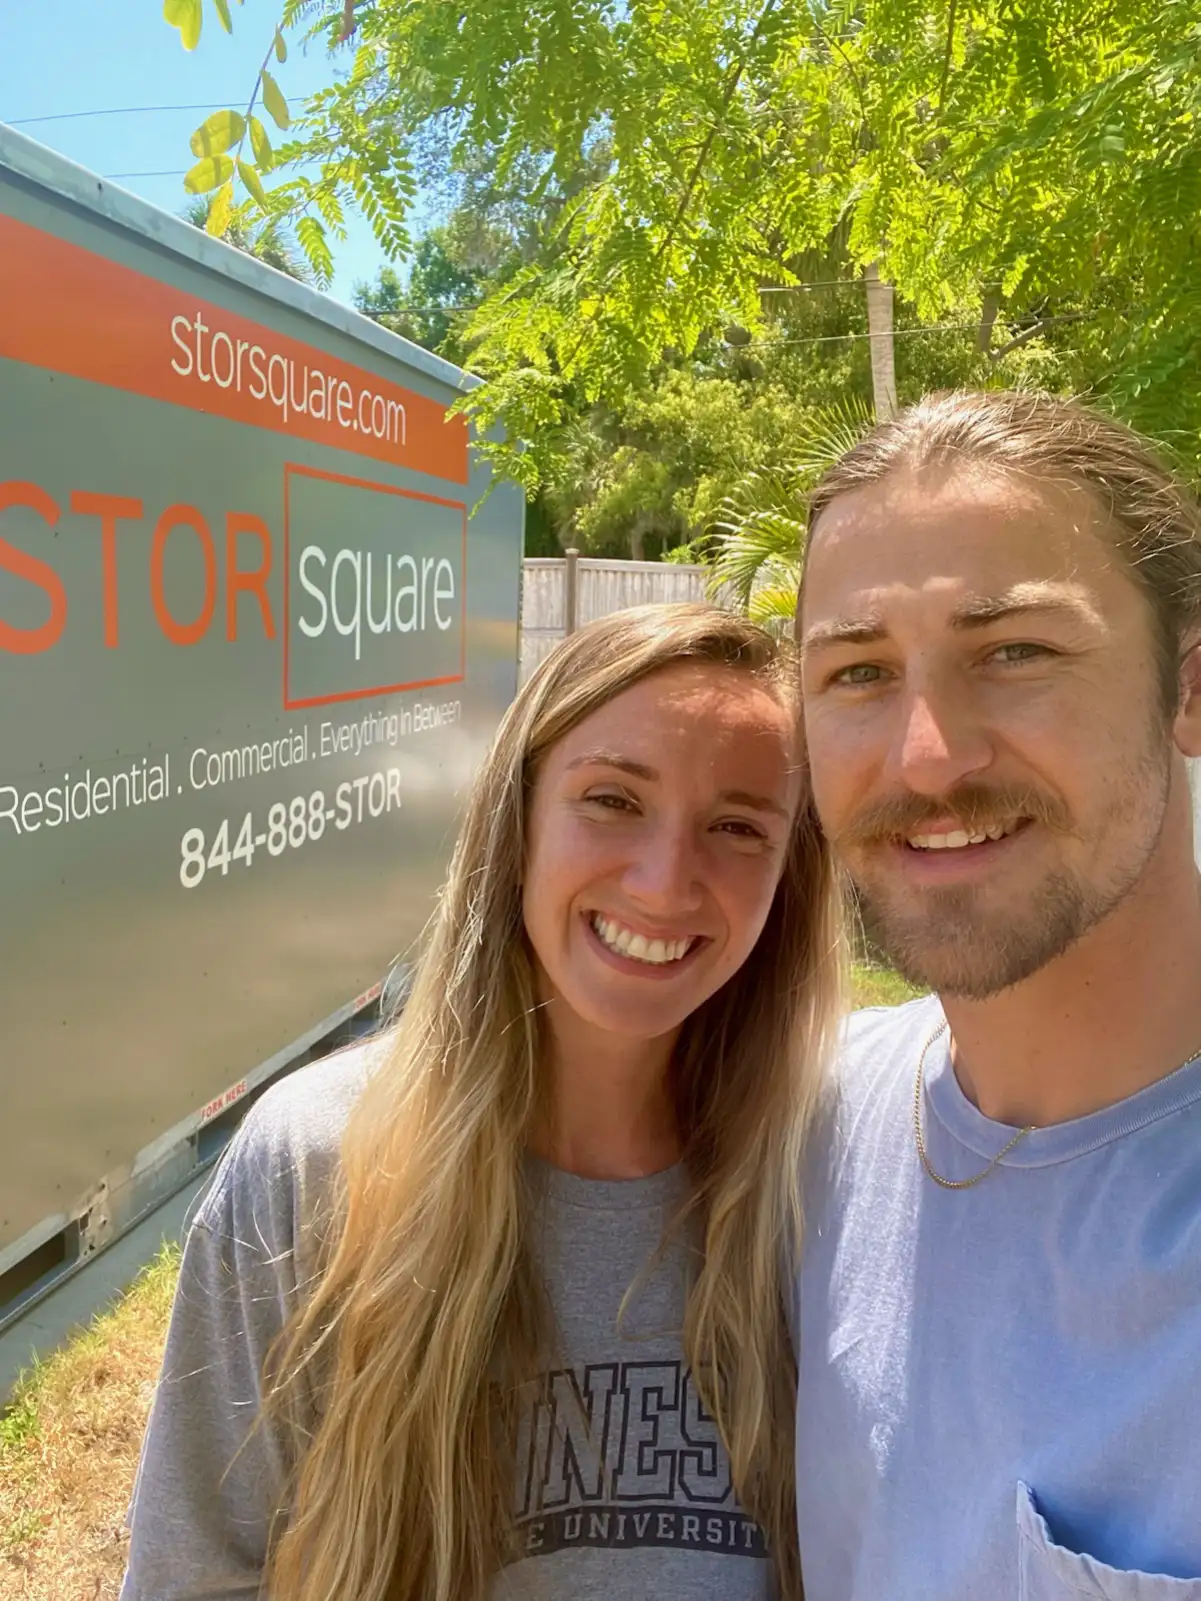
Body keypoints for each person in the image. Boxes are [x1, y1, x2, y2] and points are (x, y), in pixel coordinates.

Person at [120, 603, 844, 1601]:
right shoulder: (318, 1159)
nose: (664, 881)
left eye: (736, 826)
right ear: (517, 819)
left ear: (789, 874)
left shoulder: (819, 1183)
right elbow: (194, 1577)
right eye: (612, 799)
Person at [793, 390, 1201, 1600]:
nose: (927, 755)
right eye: (858, 672)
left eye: (1014, 651)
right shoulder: (807, 1133)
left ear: (1187, 689)